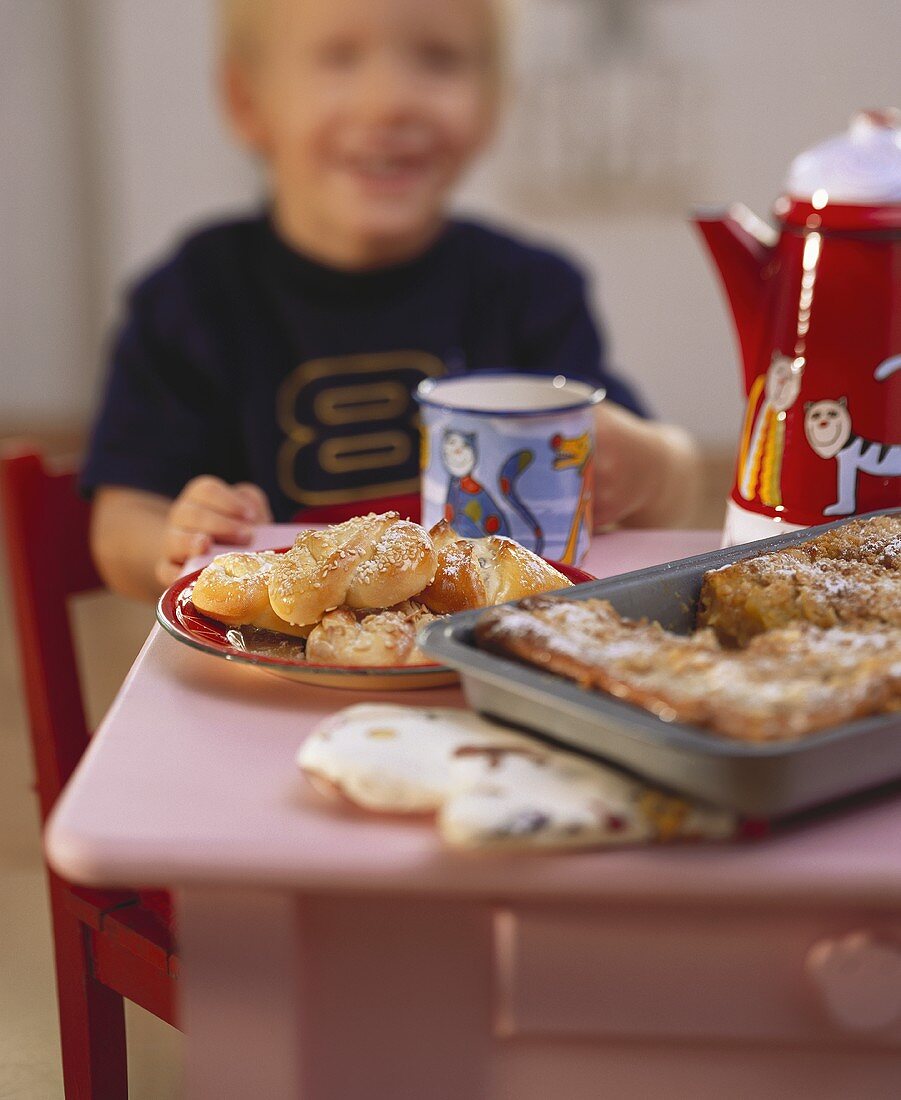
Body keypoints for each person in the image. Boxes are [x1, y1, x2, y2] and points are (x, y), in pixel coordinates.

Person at [84, 0, 700, 602]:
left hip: (490, 663)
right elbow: (121, 524)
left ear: (493, 104)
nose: (390, 101)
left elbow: (670, 485)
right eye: (339, 58)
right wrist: (176, 538)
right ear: (248, 102)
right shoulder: (191, 298)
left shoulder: (532, 290)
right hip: (276, 667)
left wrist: (659, 466)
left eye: (439, 59)